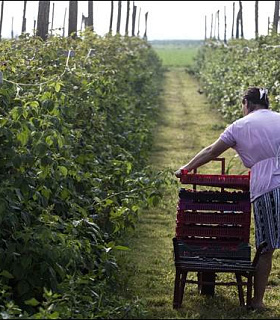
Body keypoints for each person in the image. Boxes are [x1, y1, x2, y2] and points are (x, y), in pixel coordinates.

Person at [175, 87, 280, 310]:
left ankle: (258, 301)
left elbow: (212, 151)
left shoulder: (240, 126)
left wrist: (186, 168)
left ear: (247, 104)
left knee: (266, 246)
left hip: (268, 187)